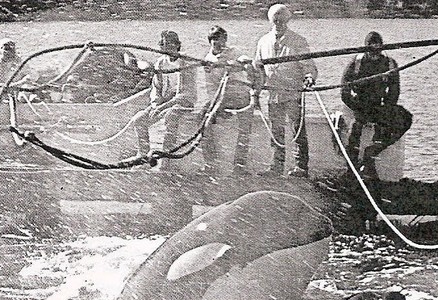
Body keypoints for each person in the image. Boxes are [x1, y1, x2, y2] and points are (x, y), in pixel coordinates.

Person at [253, 3, 317, 177]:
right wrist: (256, 93)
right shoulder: (263, 41)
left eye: (282, 20)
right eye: (275, 21)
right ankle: (276, 165)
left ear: (287, 20)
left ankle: (301, 167)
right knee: (276, 130)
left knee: (297, 130)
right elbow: (258, 70)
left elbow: (309, 66)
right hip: (273, 94)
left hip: (293, 92)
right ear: (271, 21)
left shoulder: (298, 41)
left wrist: (310, 77)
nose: (279, 24)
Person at [340, 31, 412, 179]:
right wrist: (356, 107)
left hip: (379, 104)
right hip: (359, 104)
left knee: (405, 119)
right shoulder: (356, 64)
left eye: (377, 48)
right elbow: (344, 91)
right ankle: (351, 168)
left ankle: (372, 152)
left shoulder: (390, 64)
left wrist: (387, 108)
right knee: (355, 129)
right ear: (365, 48)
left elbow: (394, 90)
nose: (374, 53)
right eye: (371, 48)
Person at [131, 30, 196, 168]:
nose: (166, 48)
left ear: (177, 45)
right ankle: (143, 156)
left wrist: (163, 107)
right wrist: (156, 104)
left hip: (183, 102)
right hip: (165, 102)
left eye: (170, 45)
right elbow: (156, 88)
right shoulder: (160, 63)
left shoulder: (185, 63)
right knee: (139, 120)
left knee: (170, 117)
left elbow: (185, 93)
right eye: (164, 45)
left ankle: (166, 159)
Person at [201, 25, 254, 175]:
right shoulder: (208, 60)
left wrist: (241, 63)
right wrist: (216, 105)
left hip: (239, 94)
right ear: (210, 41)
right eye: (216, 41)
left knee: (245, 127)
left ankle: (239, 166)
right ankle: (210, 163)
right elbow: (210, 87)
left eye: (223, 40)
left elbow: (244, 59)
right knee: (203, 120)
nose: (220, 44)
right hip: (220, 97)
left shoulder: (233, 52)